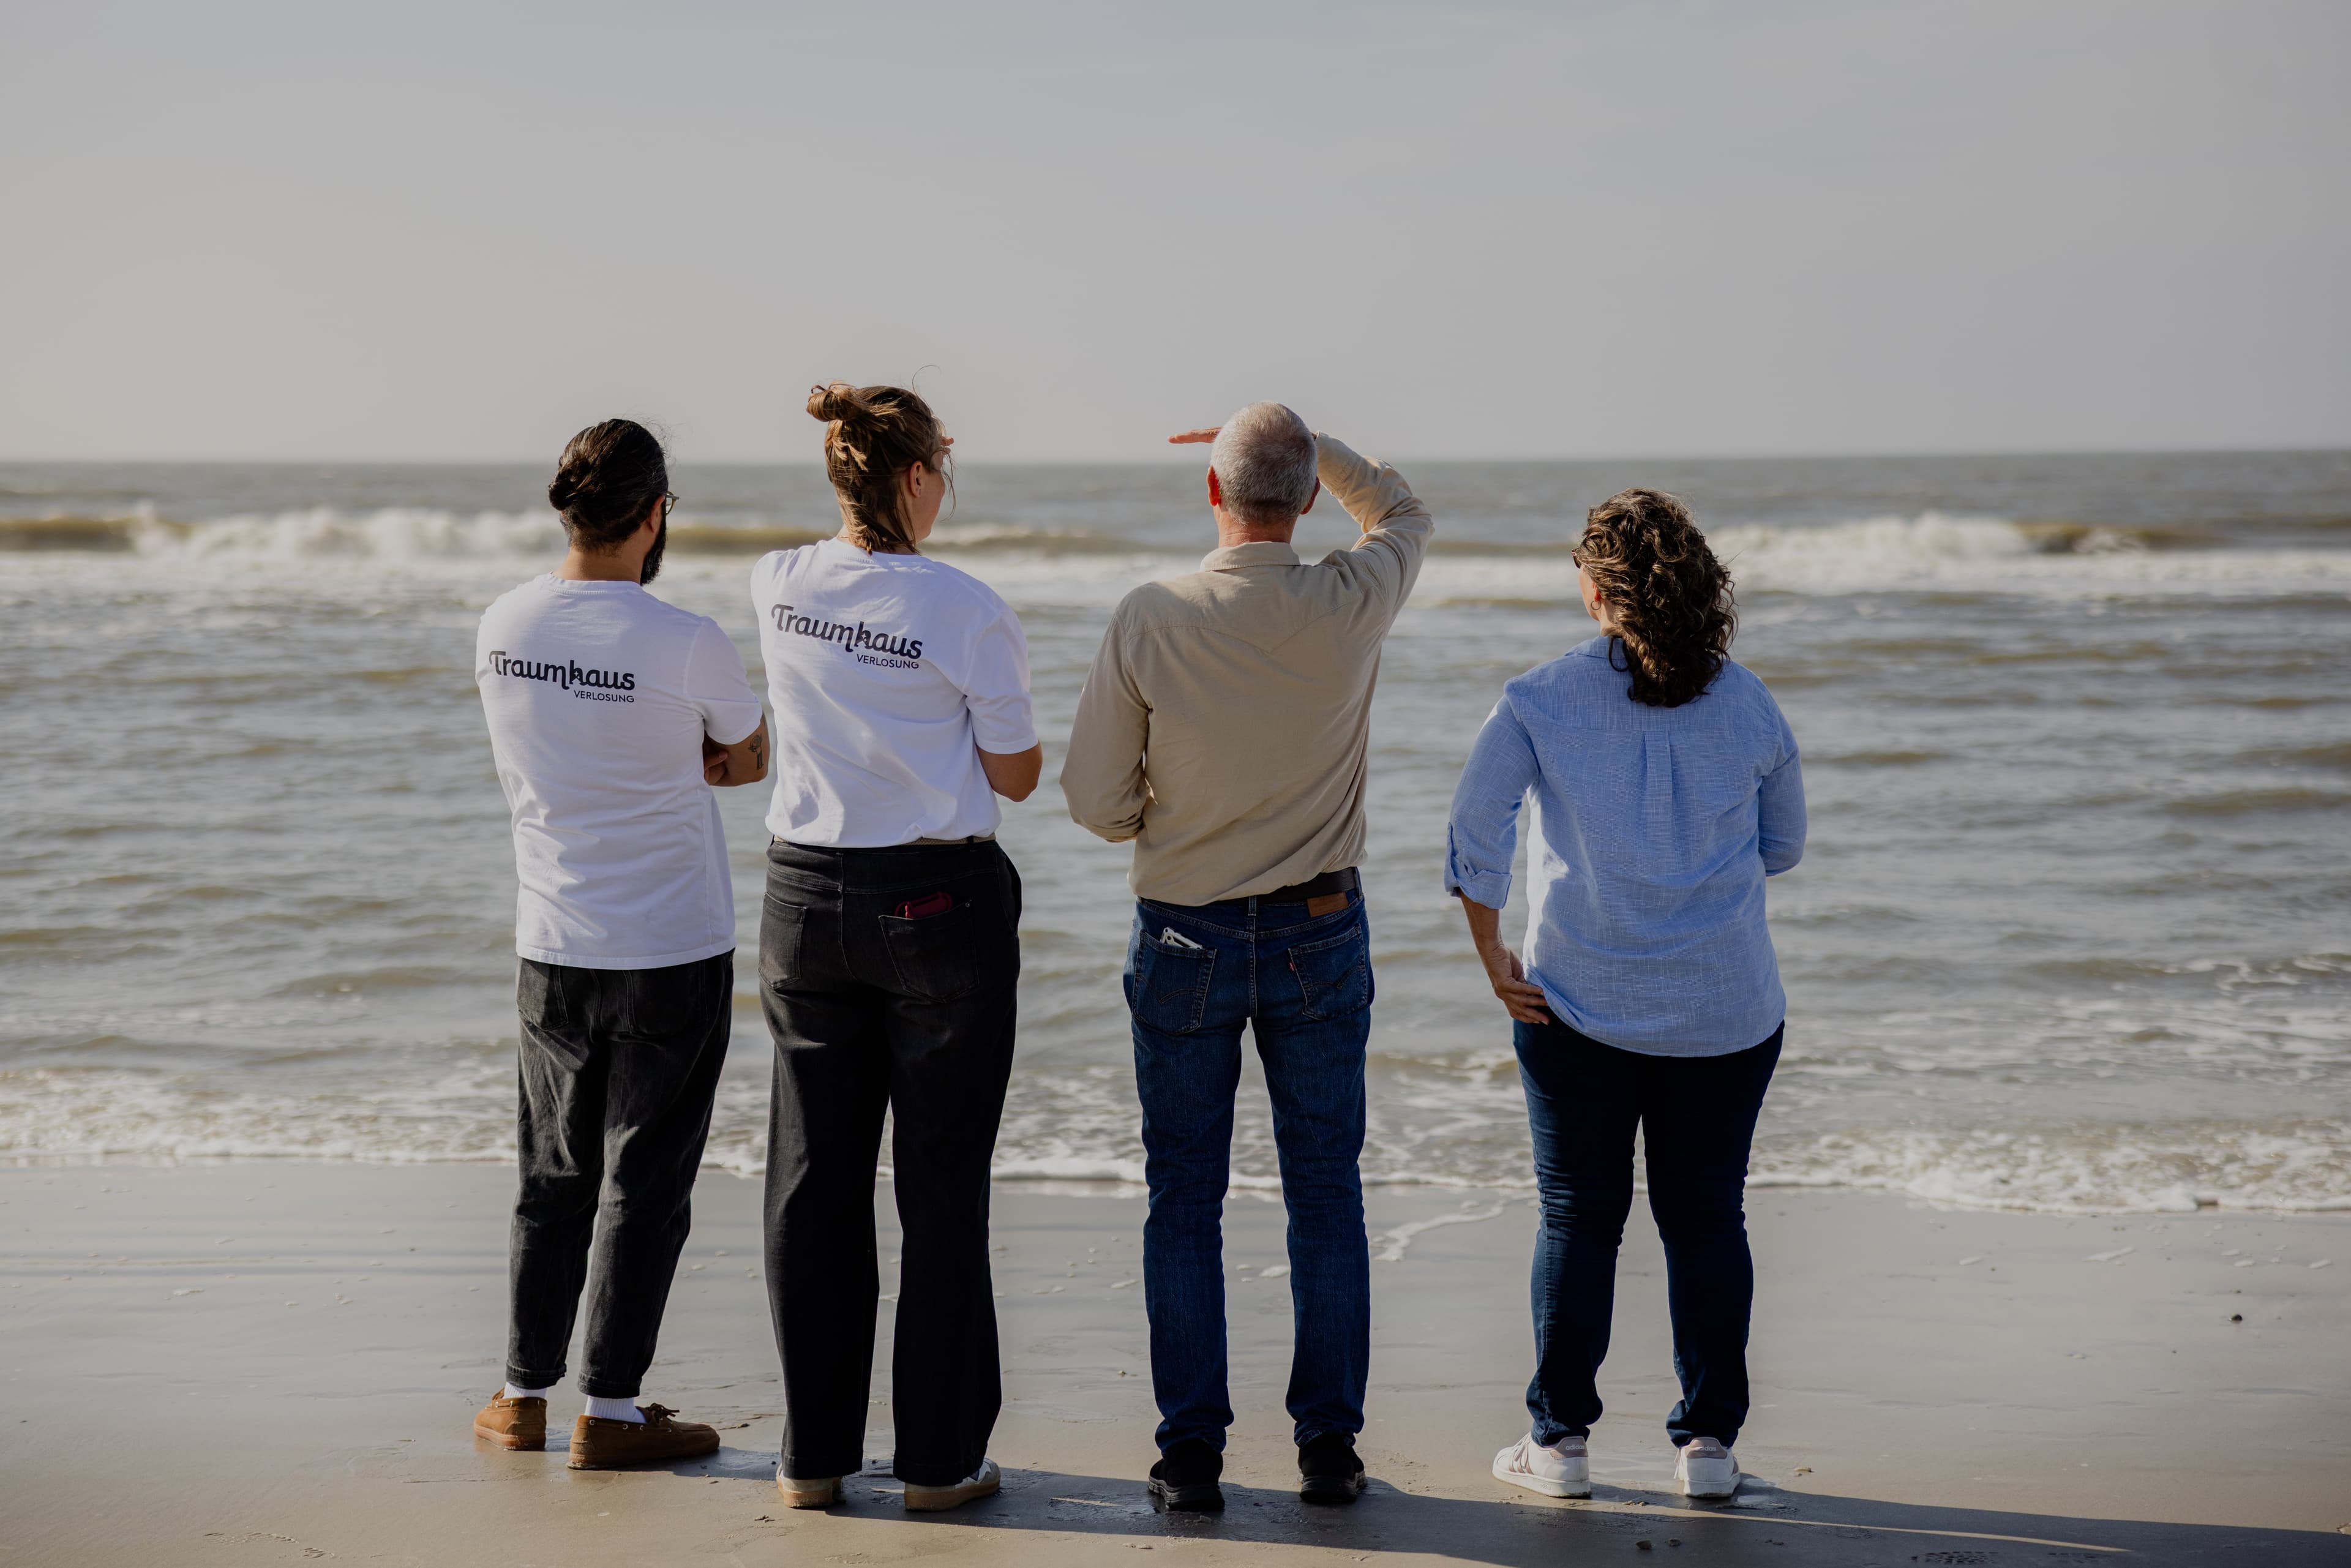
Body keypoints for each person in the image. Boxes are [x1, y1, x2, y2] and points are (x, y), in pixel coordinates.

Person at [1061, 403, 1433, 1512]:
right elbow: (1405, 509)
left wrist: (1162, 817)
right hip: (1320, 928)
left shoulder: (1151, 613)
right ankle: (1328, 1448)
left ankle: (1191, 1457)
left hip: (1184, 931)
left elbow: (1093, 800)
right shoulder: (1352, 597)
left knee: (1184, 1196)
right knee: (1325, 1193)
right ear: (1310, 497)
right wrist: (1317, 443)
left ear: (1211, 495)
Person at [1444, 487, 1805, 1503]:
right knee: (1706, 1219)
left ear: (1600, 595)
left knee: (1578, 1218)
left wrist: (1493, 958)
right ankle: (1709, 1450)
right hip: (1725, 1013)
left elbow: (1475, 839)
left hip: (1573, 1009)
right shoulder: (1751, 702)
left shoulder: (1539, 696)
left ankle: (1558, 1446)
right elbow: (1785, 848)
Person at [754, 383, 1042, 1514]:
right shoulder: (966, 605)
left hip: (804, 898)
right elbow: (1015, 774)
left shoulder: (775, 580)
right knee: (940, 1186)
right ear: (919, 477)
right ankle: (936, 1462)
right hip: (936, 902)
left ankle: (811, 1457)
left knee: (813, 1182)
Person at [470, 418, 770, 1469]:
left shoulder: (502, 623)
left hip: (552, 941)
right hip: (674, 945)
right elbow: (749, 755)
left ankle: (520, 1396)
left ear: (567, 508)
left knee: (550, 1172)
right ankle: (612, 1408)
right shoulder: (685, 638)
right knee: (647, 1186)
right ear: (654, 515)